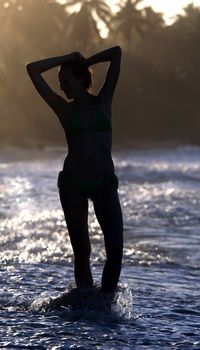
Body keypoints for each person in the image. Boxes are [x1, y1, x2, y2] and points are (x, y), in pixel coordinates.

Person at [26, 46, 123, 294]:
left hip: (103, 183)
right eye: (60, 83)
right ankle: (86, 306)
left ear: (81, 79)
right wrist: (66, 59)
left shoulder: (104, 100)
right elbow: (32, 70)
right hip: (72, 184)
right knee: (82, 250)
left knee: (115, 251)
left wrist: (84, 61)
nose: (62, 87)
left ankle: (105, 305)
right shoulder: (63, 109)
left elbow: (116, 53)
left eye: (66, 81)